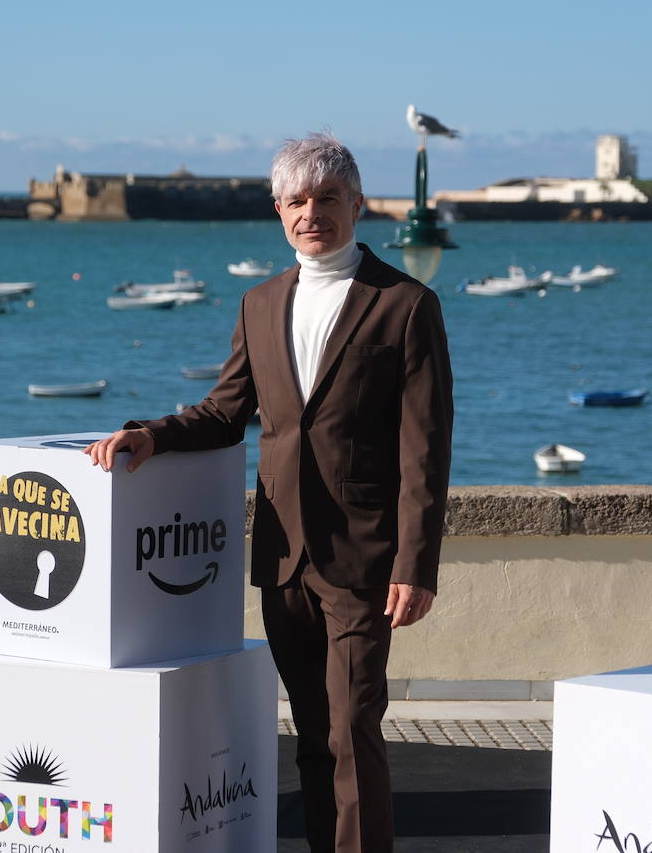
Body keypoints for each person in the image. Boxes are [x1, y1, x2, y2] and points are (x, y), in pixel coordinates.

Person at [84, 132, 452, 853]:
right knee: (313, 733)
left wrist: (416, 564)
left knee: (352, 727)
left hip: (365, 557)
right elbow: (224, 414)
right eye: (296, 201)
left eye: (325, 199)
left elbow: (426, 449)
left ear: (357, 205)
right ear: (279, 210)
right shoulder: (259, 304)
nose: (310, 213)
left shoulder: (406, 305)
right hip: (282, 557)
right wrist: (150, 436)